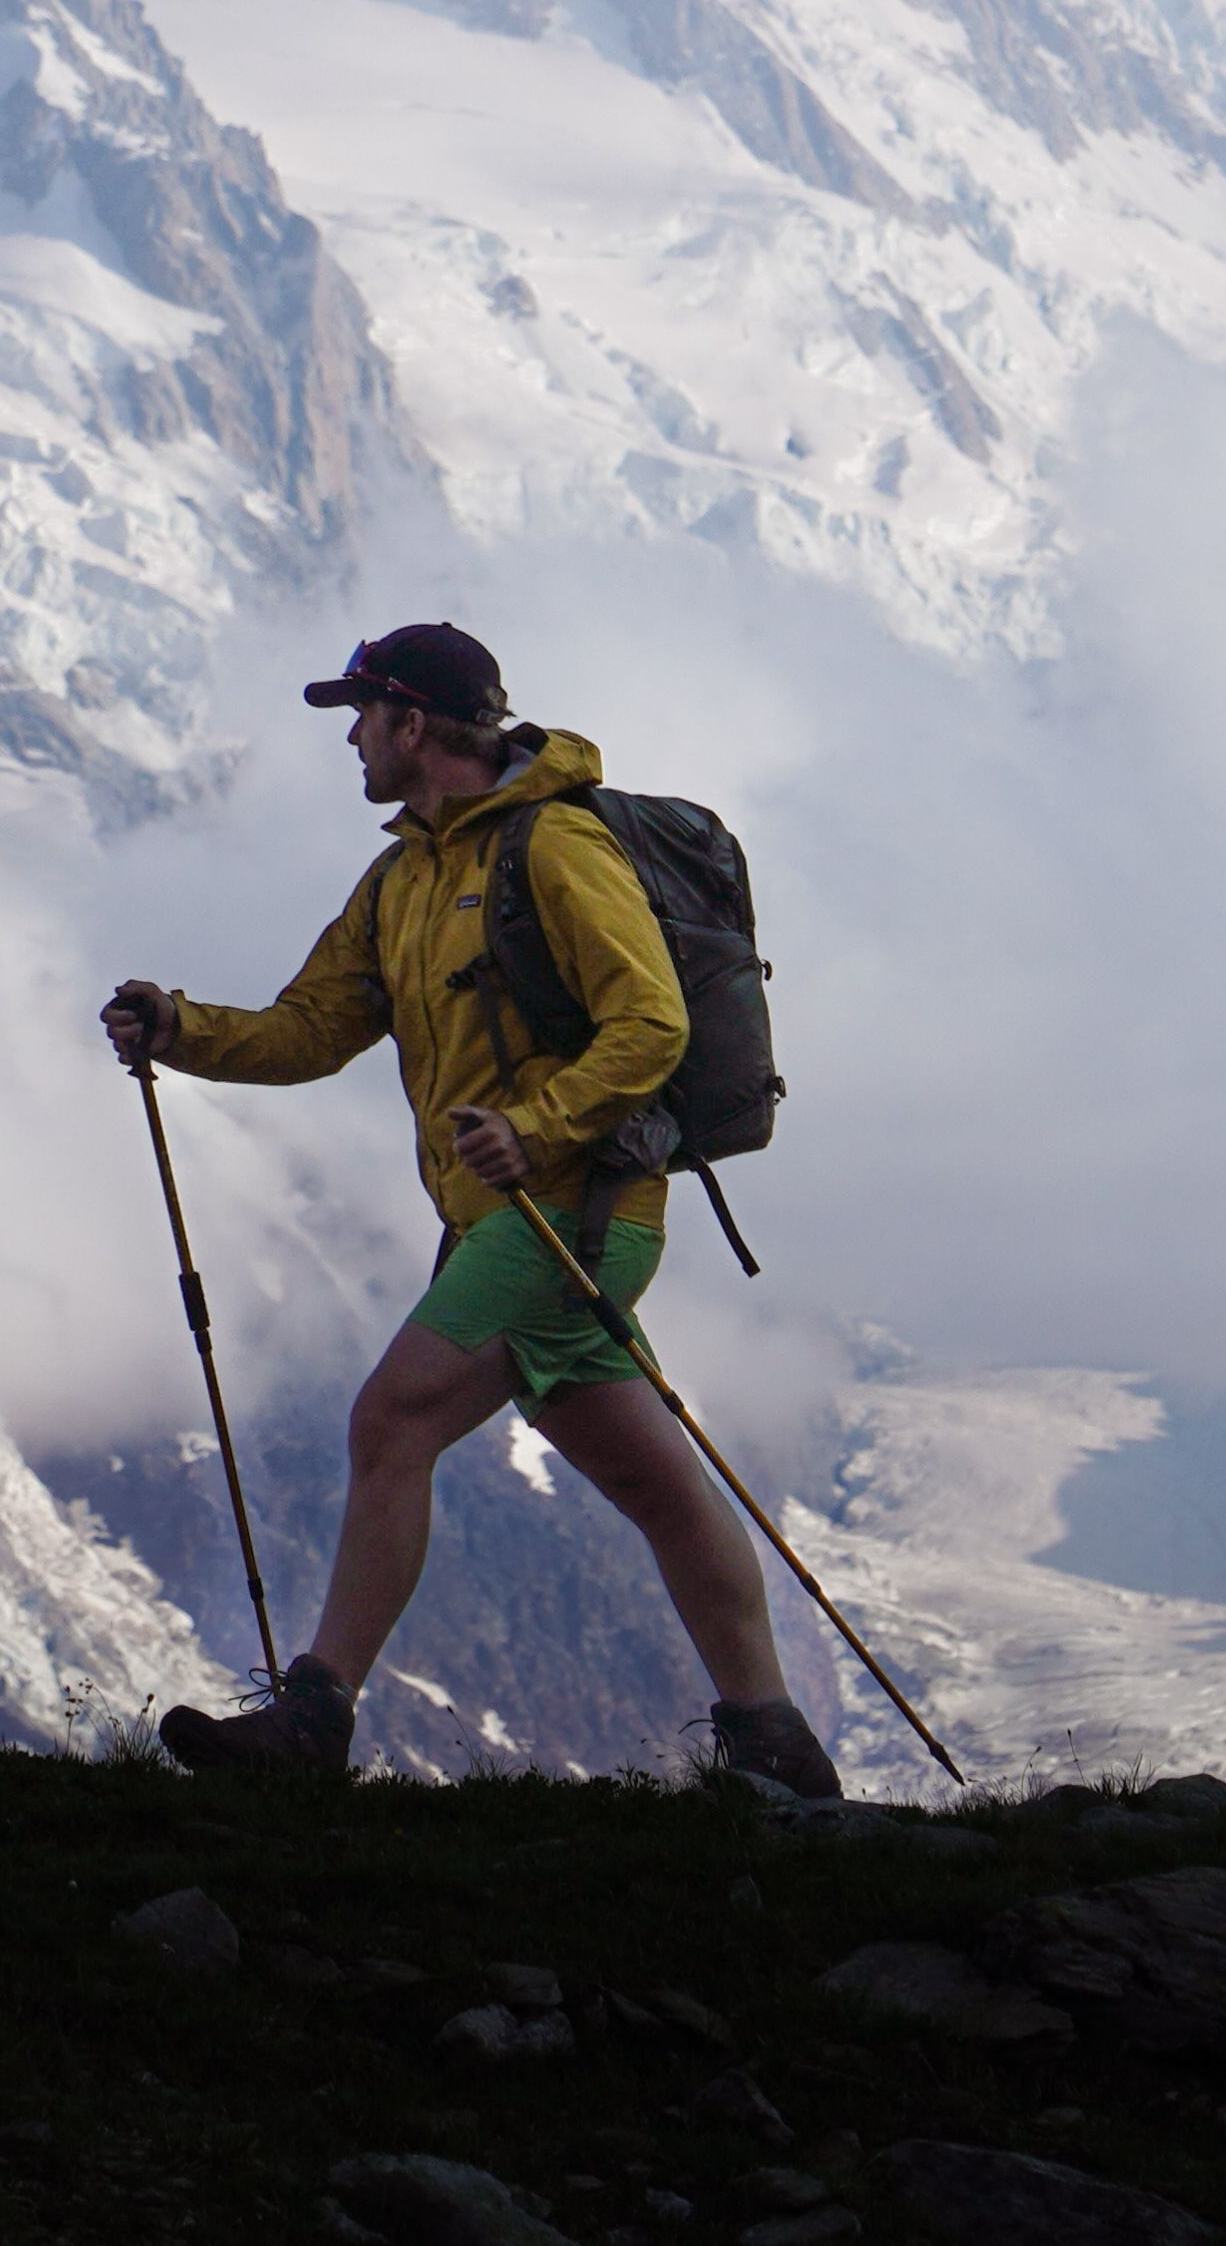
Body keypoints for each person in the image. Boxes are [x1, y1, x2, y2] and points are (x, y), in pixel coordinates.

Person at [102, 620, 844, 1800]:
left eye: (361, 713)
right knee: (655, 1483)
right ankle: (777, 1746)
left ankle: (315, 1718)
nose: (348, 736)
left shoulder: (552, 845)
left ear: (414, 722)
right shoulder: (404, 874)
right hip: (513, 1219)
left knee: (392, 1420)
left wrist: (539, 1123)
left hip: (579, 1210)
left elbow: (652, 1021)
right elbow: (310, 1030)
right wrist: (179, 1025)